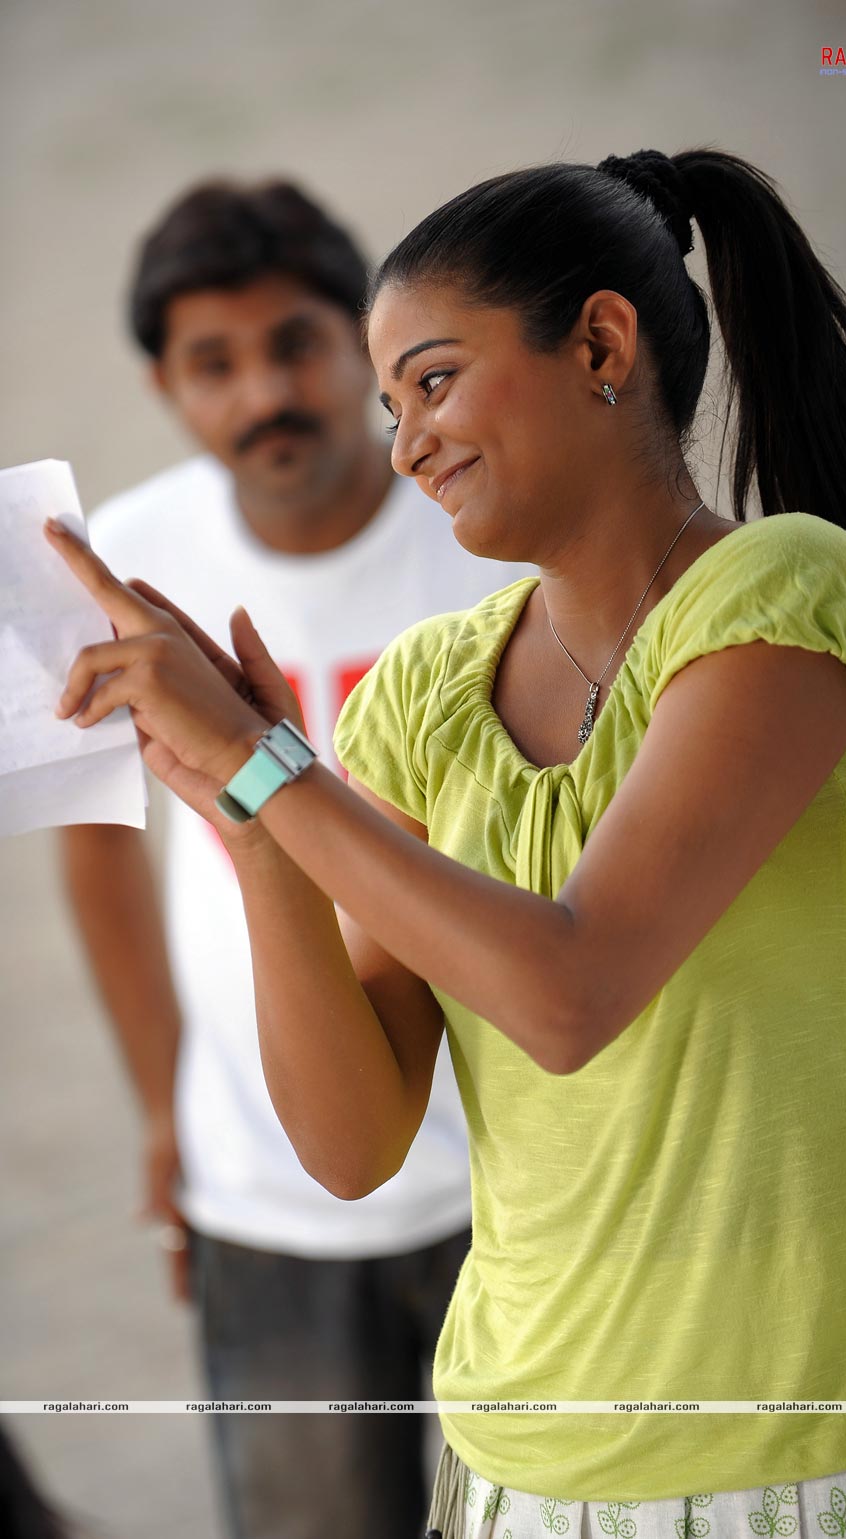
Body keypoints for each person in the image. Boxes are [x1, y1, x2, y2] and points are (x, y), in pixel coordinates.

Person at [48, 147, 846, 1539]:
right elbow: (350, 1141)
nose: (405, 446)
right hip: (529, 1463)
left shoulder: (785, 589)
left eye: (435, 381)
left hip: (836, 1434)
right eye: (390, 406)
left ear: (602, 345)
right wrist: (253, 821)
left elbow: (572, 993)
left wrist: (274, 765)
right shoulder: (426, 690)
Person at [57, 178, 532, 1539]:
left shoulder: (486, 541)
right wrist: (165, 1108)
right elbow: (99, 853)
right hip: (261, 1189)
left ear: (363, 348)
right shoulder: (134, 561)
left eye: (296, 345)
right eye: (213, 363)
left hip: (503, 1173)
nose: (264, 391)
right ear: (164, 384)